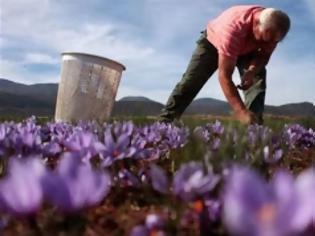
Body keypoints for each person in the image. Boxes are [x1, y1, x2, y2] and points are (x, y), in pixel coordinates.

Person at [159, 5, 290, 125]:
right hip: (213, 44)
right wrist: (240, 111)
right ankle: (165, 123)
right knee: (192, 81)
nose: (267, 44)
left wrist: (252, 70)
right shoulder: (234, 29)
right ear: (256, 23)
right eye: (262, 39)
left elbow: (263, 56)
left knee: (257, 80)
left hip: (246, 49)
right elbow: (224, 76)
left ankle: (253, 129)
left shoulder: (272, 32)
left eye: (273, 41)